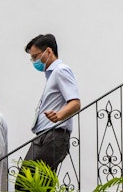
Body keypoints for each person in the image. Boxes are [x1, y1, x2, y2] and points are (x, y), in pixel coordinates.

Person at [23, 34, 81, 172]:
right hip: (44, 134)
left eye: (35, 57)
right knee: (27, 182)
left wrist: (59, 116)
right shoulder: (52, 74)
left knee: (37, 182)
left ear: (48, 51)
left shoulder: (61, 70)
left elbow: (75, 103)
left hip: (54, 134)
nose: (34, 61)